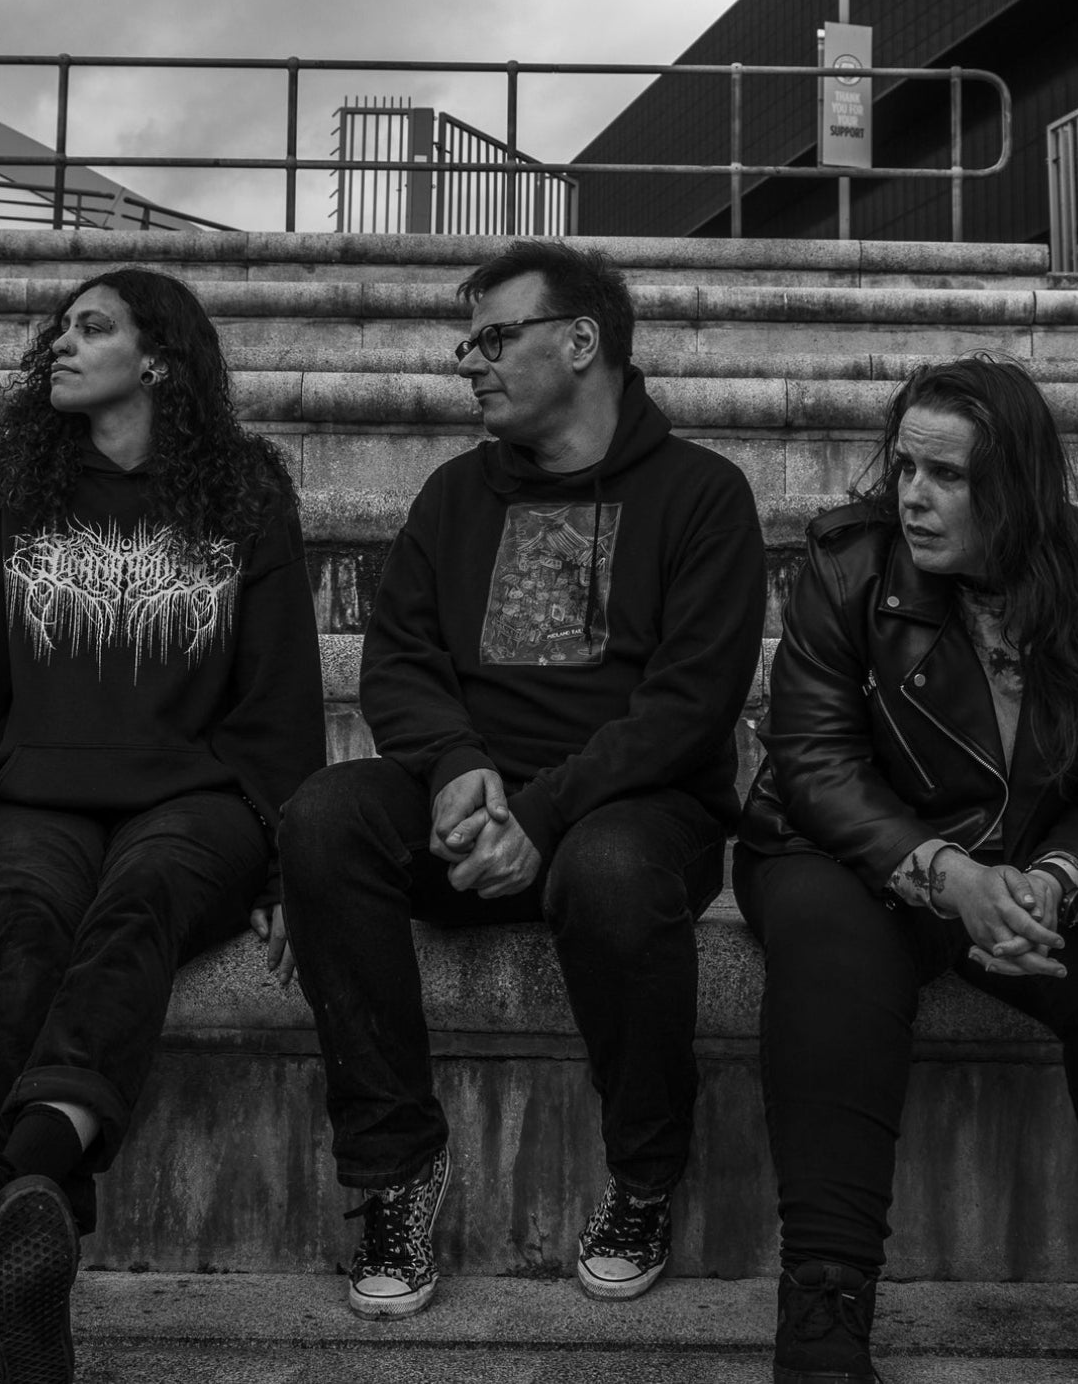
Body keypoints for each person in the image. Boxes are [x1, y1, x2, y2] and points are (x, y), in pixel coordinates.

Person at [277, 238, 767, 1319]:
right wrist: (457, 771)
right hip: (473, 811)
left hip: (640, 814)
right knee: (323, 817)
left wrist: (540, 814)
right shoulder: (456, 495)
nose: (470, 362)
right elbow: (397, 662)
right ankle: (394, 1171)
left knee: (608, 867)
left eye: (495, 338)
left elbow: (687, 705)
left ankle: (643, 1176)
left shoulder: (701, 494)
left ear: (580, 341)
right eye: (470, 343)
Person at [0, 267, 323, 1383]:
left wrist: (284, 866)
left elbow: (279, 694)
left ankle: (1, 1185)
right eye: (59, 328)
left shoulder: (244, 491)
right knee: (20, 929)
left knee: (140, 901)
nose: (60, 344)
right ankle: (32, 1232)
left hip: (197, 798)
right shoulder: (14, 489)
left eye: (92, 327)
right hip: (27, 796)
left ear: (156, 357)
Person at [736, 354, 1078, 1384]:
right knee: (826, 940)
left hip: (1042, 865)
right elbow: (813, 763)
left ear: (1015, 485)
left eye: (946, 475)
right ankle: (823, 1303)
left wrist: (1054, 882)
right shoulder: (847, 565)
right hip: (861, 856)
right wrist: (948, 877)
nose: (912, 496)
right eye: (904, 467)